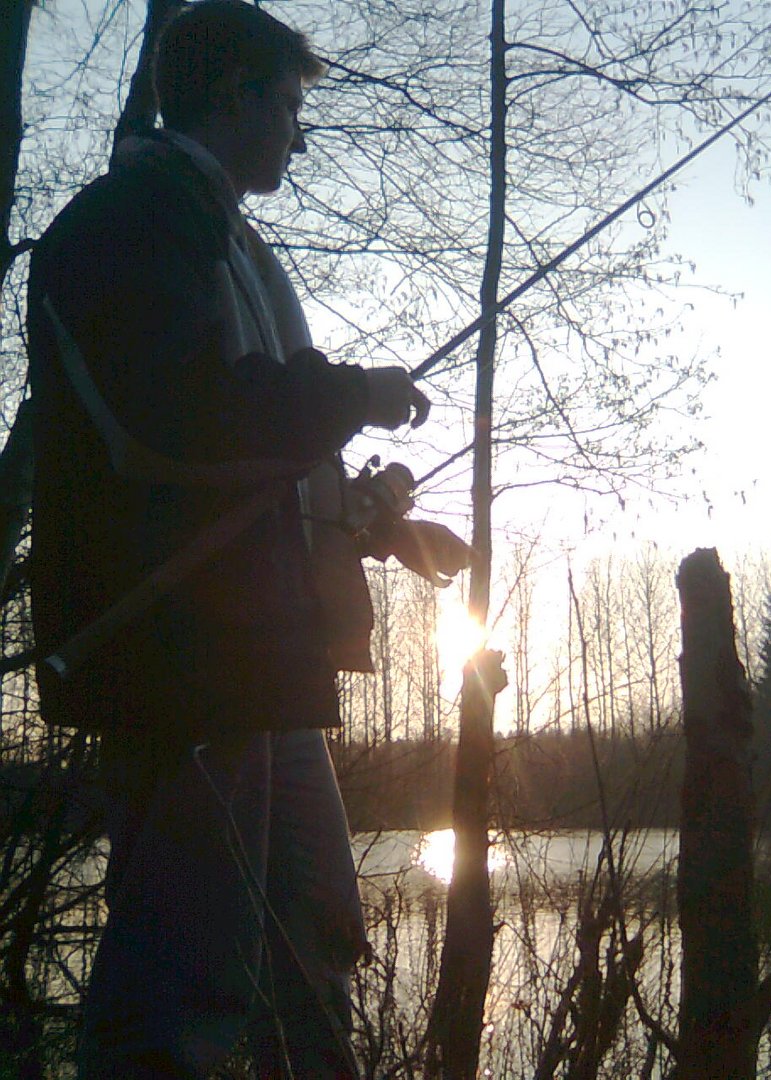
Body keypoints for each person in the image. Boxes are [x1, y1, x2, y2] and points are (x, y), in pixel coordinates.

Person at [26, 2, 469, 1077]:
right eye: (285, 103)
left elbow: (247, 461)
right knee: (184, 980)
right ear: (232, 96)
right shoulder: (126, 222)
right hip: (182, 665)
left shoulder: (225, 239)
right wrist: (349, 393)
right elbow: (170, 418)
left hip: (261, 664)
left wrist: (362, 525)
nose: (295, 132)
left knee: (313, 943)